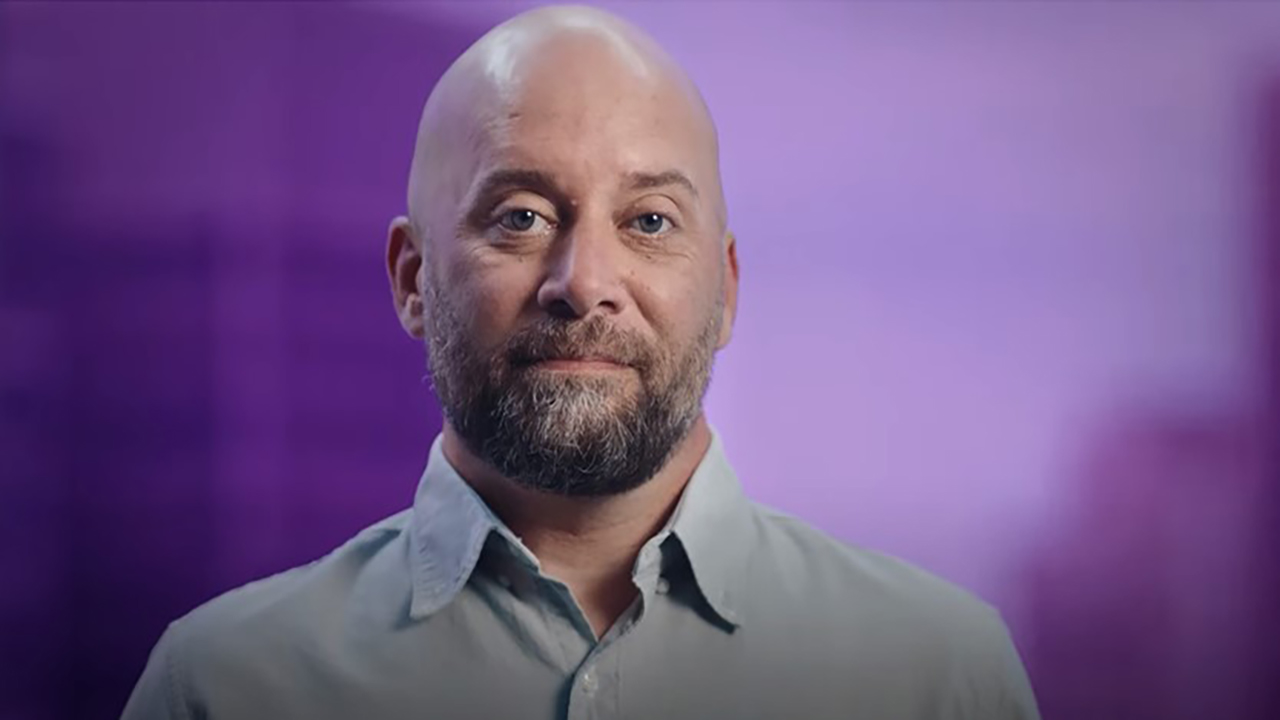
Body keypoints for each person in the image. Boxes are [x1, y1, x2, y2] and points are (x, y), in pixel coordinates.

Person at [122, 5, 1040, 719]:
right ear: (411, 281)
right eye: (520, 216)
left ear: (725, 291)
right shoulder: (221, 688)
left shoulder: (941, 678)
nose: (585, 282)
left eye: (649, 221)